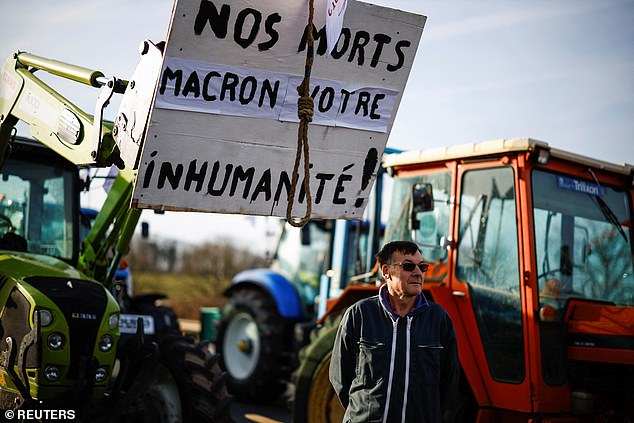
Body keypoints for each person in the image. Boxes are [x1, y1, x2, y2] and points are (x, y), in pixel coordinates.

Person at [329, 240, 459, 423]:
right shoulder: (360, 315)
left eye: (422, 267)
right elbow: (340, 378)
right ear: (386, 272)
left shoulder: (439, 320)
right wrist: (364, 414)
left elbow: (449, 384)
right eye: (408, 266)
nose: (417, 273)